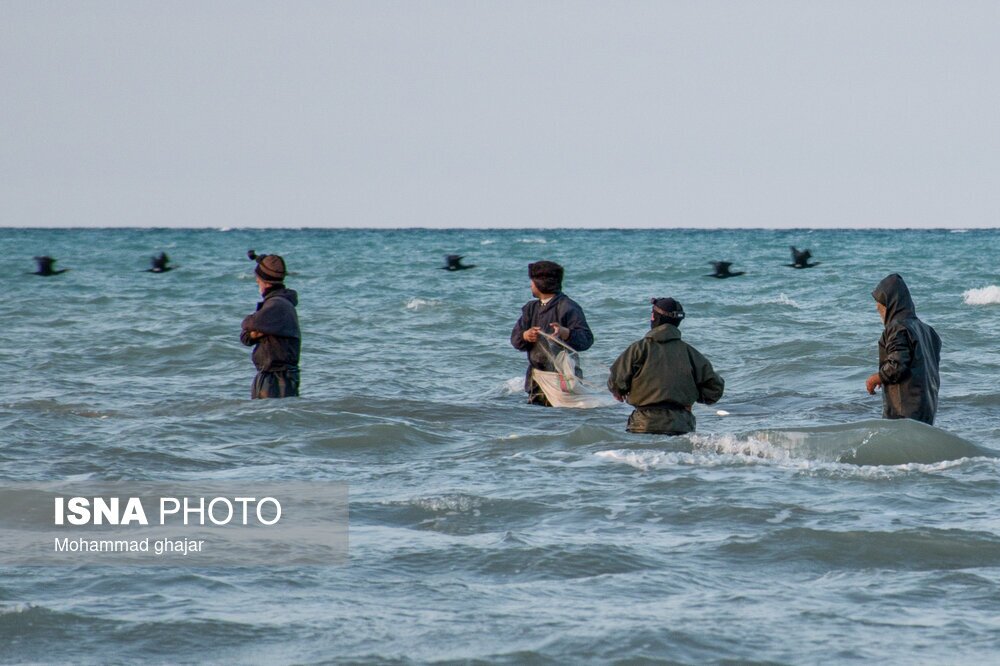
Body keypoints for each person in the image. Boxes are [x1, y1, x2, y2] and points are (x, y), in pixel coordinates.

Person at [608, 298, 724, 434]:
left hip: (643, 425)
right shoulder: (691, 353)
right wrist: (692, 397)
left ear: (655, 318)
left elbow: (616, 382)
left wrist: (618, 391)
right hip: (681, 425)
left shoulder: (638, 349)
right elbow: (714, 389)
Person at [510, 261, 594, 405]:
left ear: (540, 283)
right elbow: (515, 340)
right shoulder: (530, 309)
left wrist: (565, 332)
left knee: (562, 421)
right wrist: (526, 335)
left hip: (565, 379)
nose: (530, 285)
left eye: (532, 281)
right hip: (536, 380)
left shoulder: (568, 307)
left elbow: (586, 340)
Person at [865, 273, 941, 424]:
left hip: (903, 413)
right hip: (927, 412)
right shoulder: (928, 331)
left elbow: (897, 365)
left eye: (880, 309)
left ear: (890, 304)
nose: (879, 313)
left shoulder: (897, 327)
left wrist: (877, 378)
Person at [241, 250, 301, 399]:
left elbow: (248, 323)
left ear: (265, 281)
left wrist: (254, 330)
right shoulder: (278, 303)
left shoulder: (276, 305)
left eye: (258, 279)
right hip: (274, 377)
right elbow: (246, 337)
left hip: (277, 380)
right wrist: (254, 332)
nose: (256, 282)